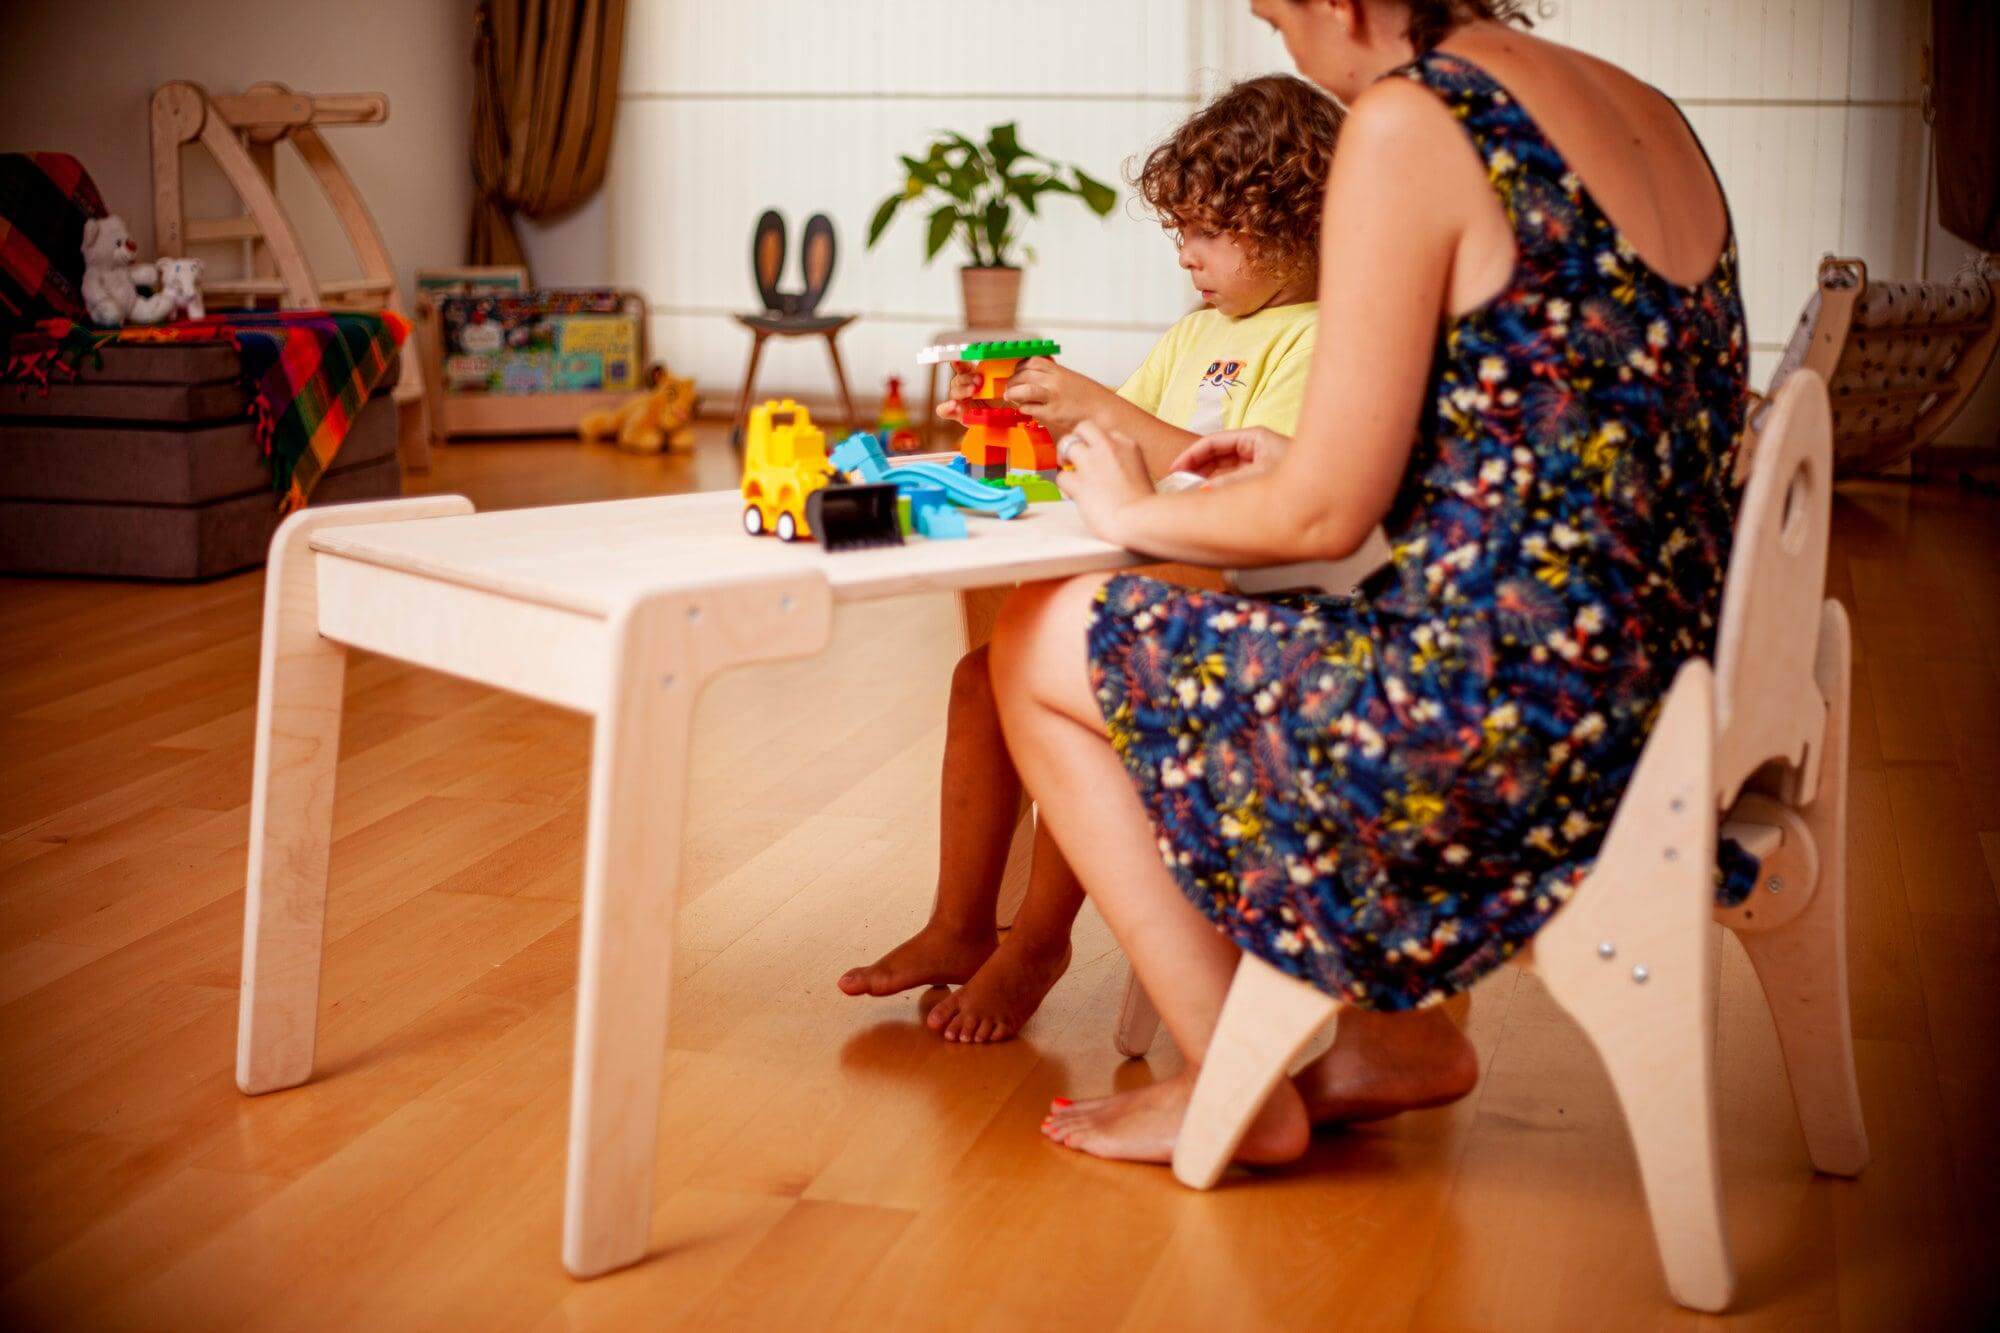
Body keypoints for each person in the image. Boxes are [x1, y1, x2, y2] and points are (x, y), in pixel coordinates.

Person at [991, 0, 1754, 1164]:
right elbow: (1566, 444)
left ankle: (1233, 1084)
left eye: (1277, 17)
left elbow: (1320, 519)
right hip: (1656, 716)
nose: (1284, 43)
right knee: (1293, 612)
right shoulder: (1647, 113)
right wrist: (1305, 454)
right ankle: (1394, 1037)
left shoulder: (1415, 118)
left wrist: (1130, 510)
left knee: (1037, 630)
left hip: (1493, 740)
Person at [839, 75, 1345, 1043]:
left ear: (1293, 223)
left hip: (1241, 606)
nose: (1187, 255)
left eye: (1209, 232)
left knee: (1067, 691)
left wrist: (1095, 406)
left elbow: (1250, 485)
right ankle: (960, 923)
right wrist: (1018, 419)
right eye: (1181, 232)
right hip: (1149, 579)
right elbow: (1112, 449)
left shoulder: (1320, 338)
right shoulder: (1197, 334)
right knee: (978, 679)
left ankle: (1036, 940)